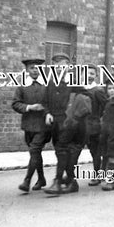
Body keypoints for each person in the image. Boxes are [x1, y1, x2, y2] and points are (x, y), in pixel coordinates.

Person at [11, 58, 48, 192]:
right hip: (28, 126)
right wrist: (29, 107)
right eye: (32, 68)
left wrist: (46, 108)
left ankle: (27, 180)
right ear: (27, 70)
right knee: (35, 153)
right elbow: (15, 104)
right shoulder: (22, 87)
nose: (35, 70)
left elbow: (53, 103)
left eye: (37, 68)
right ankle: (41, 178)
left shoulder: (47, 85)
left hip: (43, 126)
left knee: (34, 150)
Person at [42, 53, 72, 193]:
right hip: (54, 122)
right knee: (61, 151)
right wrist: (47, 113)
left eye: (62, 66)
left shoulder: (74, 82)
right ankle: (71, 181)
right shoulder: (51, 82)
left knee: (62, 151)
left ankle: (58, 182)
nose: (59, 69)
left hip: (68, 122)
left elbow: (86, 96)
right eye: (56, 66)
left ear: (68, 66)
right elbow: (45, 101)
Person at [83, 64, 107, 187]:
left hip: (93, 126)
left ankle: (98, 175)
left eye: (92, 73)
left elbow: (105, 106)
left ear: (96, 75)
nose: (89, 76)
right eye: (87, 73)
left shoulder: (98, 90)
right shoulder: (80, 89)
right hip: (80, 126)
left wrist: (98, 118)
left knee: (95, 152)